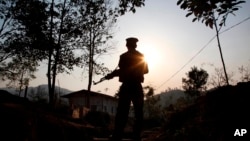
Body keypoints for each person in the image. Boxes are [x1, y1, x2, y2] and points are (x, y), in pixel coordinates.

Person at [105, 37, 149, 141]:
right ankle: (136, 136)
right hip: (137, 86)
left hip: (126, 86)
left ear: (127, 45)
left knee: (122, 112)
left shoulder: (123, 56)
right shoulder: (142, 56)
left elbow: (122, 71)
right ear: (135, 45)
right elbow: (146, 70)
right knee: (138, 112)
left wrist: (111, 75)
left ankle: (117, 135)